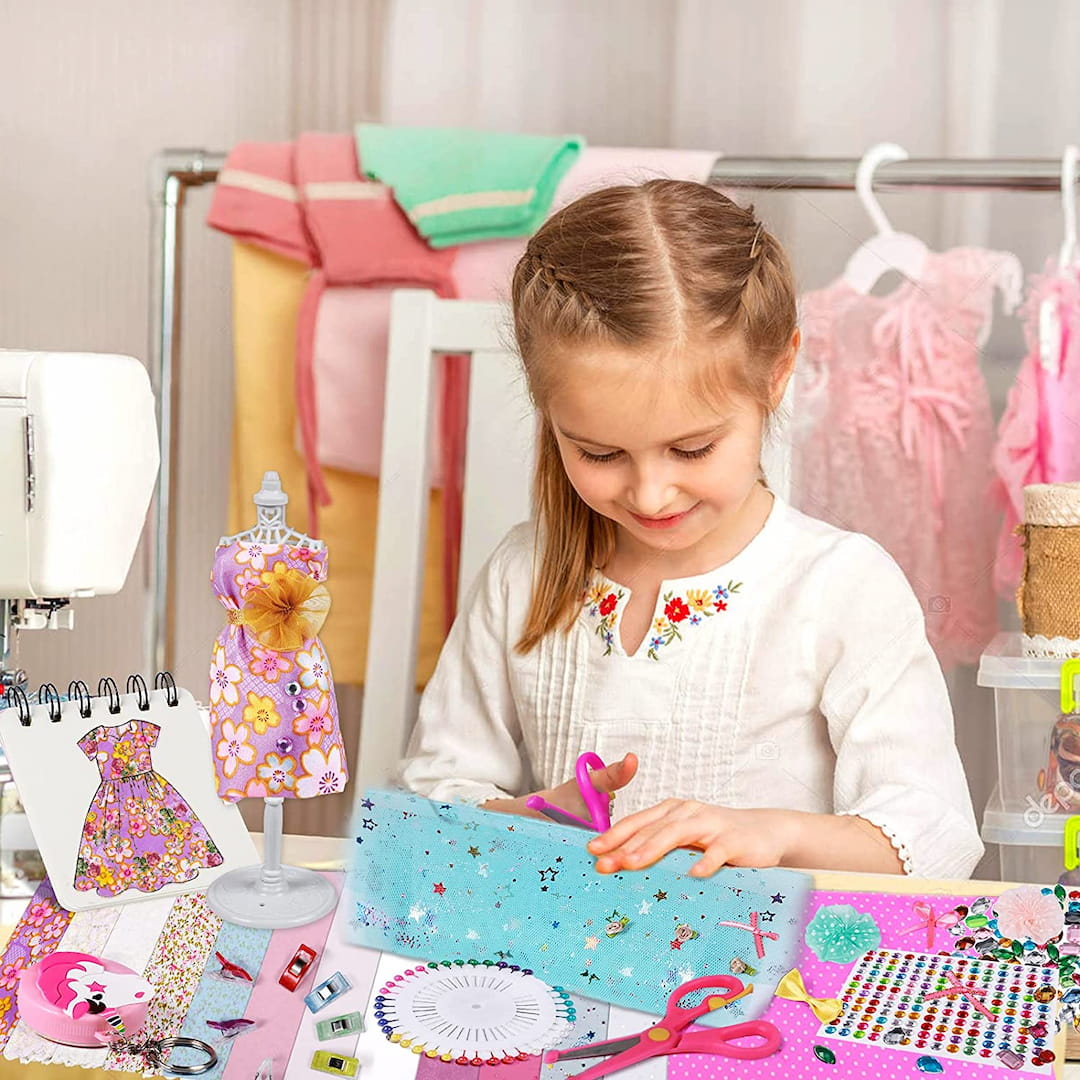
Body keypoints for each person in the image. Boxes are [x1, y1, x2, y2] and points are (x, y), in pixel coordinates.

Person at [398, 179, 983, 880]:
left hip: (776, 976)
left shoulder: (840, 585)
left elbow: (935, 831)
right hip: (569, 970)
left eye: (692, 449)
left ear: (778, 372)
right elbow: (428, 802)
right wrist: (532, 820)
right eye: (600, 453)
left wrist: (776, 834)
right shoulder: (523, 573)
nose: (650, 492)